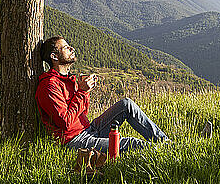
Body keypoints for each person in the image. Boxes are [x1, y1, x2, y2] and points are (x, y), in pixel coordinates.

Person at [36, 36, 169, 154]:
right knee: (130, 144)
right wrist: (82, 92)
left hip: (89, 128)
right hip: (74, 140)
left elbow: (83, 112)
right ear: (54, 57)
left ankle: (166, 143)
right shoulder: (49, 85)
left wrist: (86, 91)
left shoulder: (69, 79)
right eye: (65, 47)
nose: (71, 48)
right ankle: (164, 153)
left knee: (126, 104)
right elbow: (65, 122)